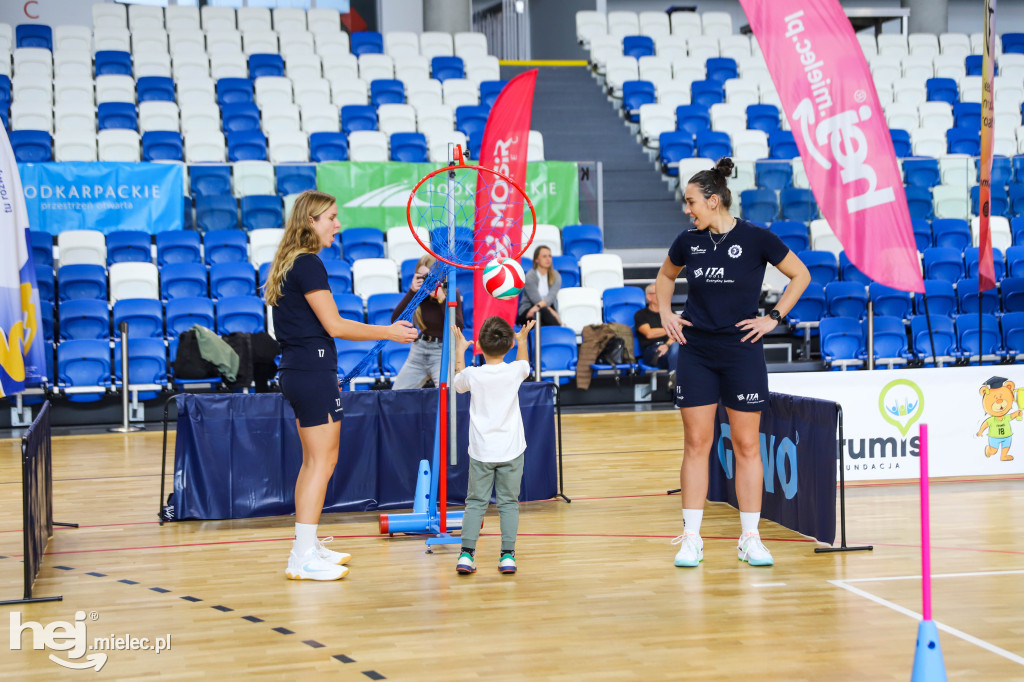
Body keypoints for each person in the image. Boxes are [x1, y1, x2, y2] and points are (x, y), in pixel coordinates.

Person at [655, 158, 810, 569]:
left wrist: (773, 318)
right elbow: (665, 277)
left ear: (713, 200)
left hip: (742, 351)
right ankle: (691, 539)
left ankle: (750, 539)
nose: (687, 210)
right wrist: (666, 314)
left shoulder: (758, 238)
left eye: (691, 202)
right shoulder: (687, 241)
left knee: (746, 445)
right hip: (697, 352)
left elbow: (800, 275)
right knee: (696, 444)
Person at [265, 190, 418, 581]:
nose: (337, 224)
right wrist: (389, 331)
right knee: (322, 462)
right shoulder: (309, 264)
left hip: (303, 371)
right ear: (310, 221)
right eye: (331, 217)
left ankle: (307, 545)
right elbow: (335, 326)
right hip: (310, 373)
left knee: (314, 463)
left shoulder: (290, 263)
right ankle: (302, 556)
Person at [451, 316, 536, 575]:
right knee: (509, 503)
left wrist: (459, 349)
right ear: (509, 344)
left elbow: (458, 382)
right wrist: (522, 340)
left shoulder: (473, 375)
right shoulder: (514, 371)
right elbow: (525, 364)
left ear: (478, 345)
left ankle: (466, 555)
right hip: (511, 450)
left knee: (475, 502)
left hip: (482, 452)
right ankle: (507, 556)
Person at [390, 254, 464, 390]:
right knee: (397, 394)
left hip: (443, 351)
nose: (426, 282)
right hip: (419, 349)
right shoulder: (419, 294)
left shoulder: (452, 293)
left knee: (447, 395)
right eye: (421, 276)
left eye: (429, 277)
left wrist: (442, 299)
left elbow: (458, 327)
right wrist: (412, 292)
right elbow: (395, 320)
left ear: (439, 277)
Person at [634, 283, 679, 370]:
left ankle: (674, 379)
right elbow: (649, 333)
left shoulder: (670, 313)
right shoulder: (641, 314)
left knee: (679, 351)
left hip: (670, 346)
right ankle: (675, 380)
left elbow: (678, 332)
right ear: (649, 297)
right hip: (652, 349)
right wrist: (671, 329)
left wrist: (667, 345)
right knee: (674, 356)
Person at [517, 245, 562, 326]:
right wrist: (553, 313)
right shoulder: (530, 276)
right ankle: (558, 330)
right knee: (543, 312)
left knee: (544, 315)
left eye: (549, 256)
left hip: (545, 312)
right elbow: (536, 300)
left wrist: (544, 309)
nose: (548, 259)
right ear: (537, 259)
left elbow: (550, 298)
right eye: (544, 256)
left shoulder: (556, 276)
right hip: (528, 311)